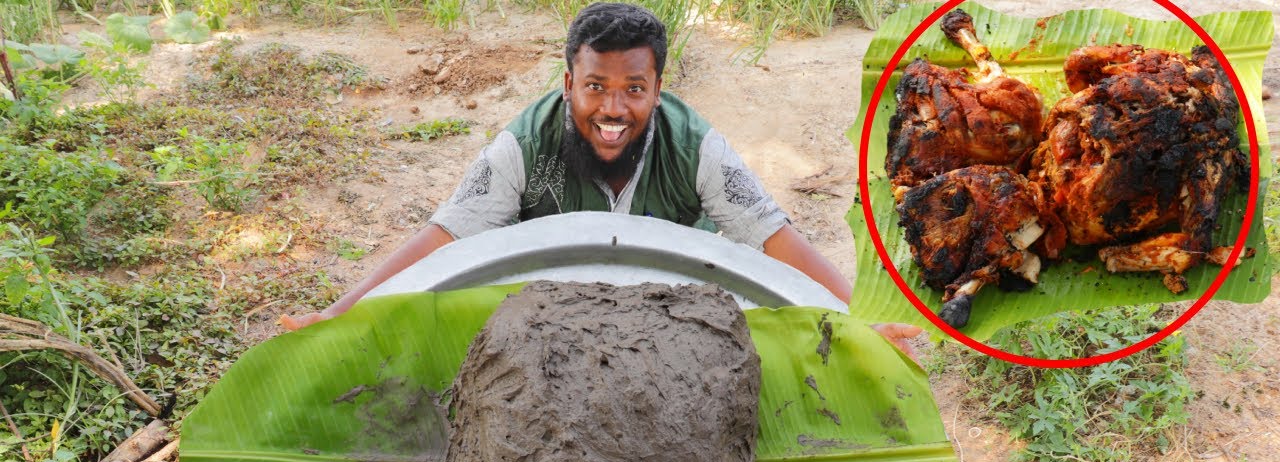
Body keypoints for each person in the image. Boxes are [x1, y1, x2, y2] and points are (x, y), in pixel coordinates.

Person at [280, 2, 921, 356]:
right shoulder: (521, 146)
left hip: (678, 315)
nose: (613, 110)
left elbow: (775, 236)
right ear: (567, 86)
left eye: (633, 90)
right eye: (595, 88)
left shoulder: (698, 146)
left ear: (658, 90)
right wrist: (341, 315)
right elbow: (445, 236)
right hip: (549, 320)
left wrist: (860, 318)